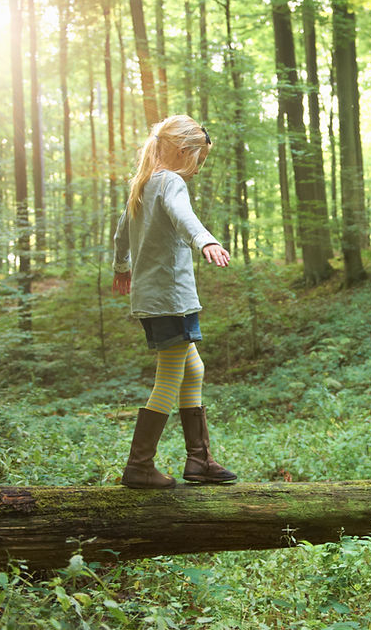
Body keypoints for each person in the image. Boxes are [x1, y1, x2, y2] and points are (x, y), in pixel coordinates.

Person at [112, 114, 236, 489]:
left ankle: (199, 460)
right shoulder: (170, 183)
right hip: (172, 299)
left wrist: (122, 267)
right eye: (199, 160)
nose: (198, 168)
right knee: (169, 376)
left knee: (193, 369)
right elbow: (185, 217)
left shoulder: (144, 184)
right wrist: (206, 241)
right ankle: (139, 466)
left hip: (153, 298)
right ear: (185, 152)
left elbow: (121, 232)